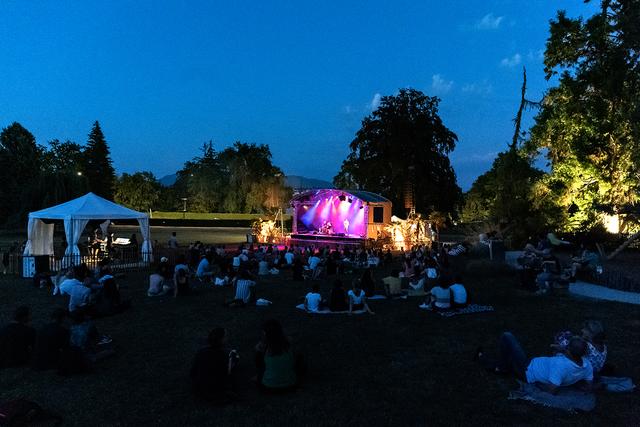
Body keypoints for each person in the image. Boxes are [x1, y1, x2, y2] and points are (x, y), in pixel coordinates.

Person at [478, 333, 593, 394]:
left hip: (527, 370)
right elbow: (588, 386)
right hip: (533, 364)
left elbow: (551, 390)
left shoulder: (561, 366)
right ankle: (496, 364)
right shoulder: (587, 365)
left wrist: (538, 384)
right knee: (510, 358)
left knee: (507, 337)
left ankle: (498, 366)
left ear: (569, 351)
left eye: (567, 347)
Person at [190, 328, 239, 403]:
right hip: (214, 389)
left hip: (199, 386)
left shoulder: (201, 352)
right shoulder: (224, 356)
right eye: (225, 336)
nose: (227, 338)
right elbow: (227, 372)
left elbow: (193, 371)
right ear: (222, 340)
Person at [255, 319, 299, 392]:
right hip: (291, 385)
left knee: (259, 357)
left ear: (265, 334)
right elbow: (296, 359)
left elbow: (259, 363)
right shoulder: (289, 343)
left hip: (268, 387)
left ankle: (262, 376)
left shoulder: (264, 347)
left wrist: (257, 350)